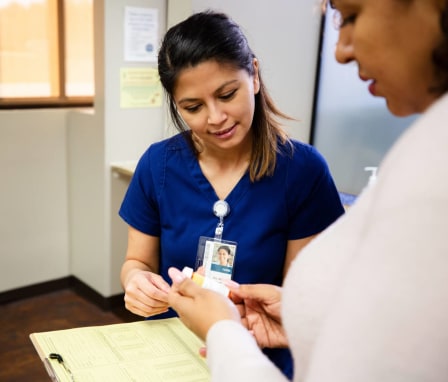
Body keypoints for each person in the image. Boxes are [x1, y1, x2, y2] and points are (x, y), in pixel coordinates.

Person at [167, 0, 448, 381]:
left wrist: (223, 331)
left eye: (351, 16)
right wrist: (303, 317)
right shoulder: (425, 147)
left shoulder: (308, 169)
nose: (339, 50)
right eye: (194, 106)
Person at [118, 10, 345, 379]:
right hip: (171, 352)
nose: (216, 117)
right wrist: (136, 284)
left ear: (253, 74)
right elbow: (136, 263)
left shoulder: (302, 171)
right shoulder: (158, 165)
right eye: (192, 107)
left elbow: (305, 296)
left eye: (227, 94)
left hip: (261, 357)